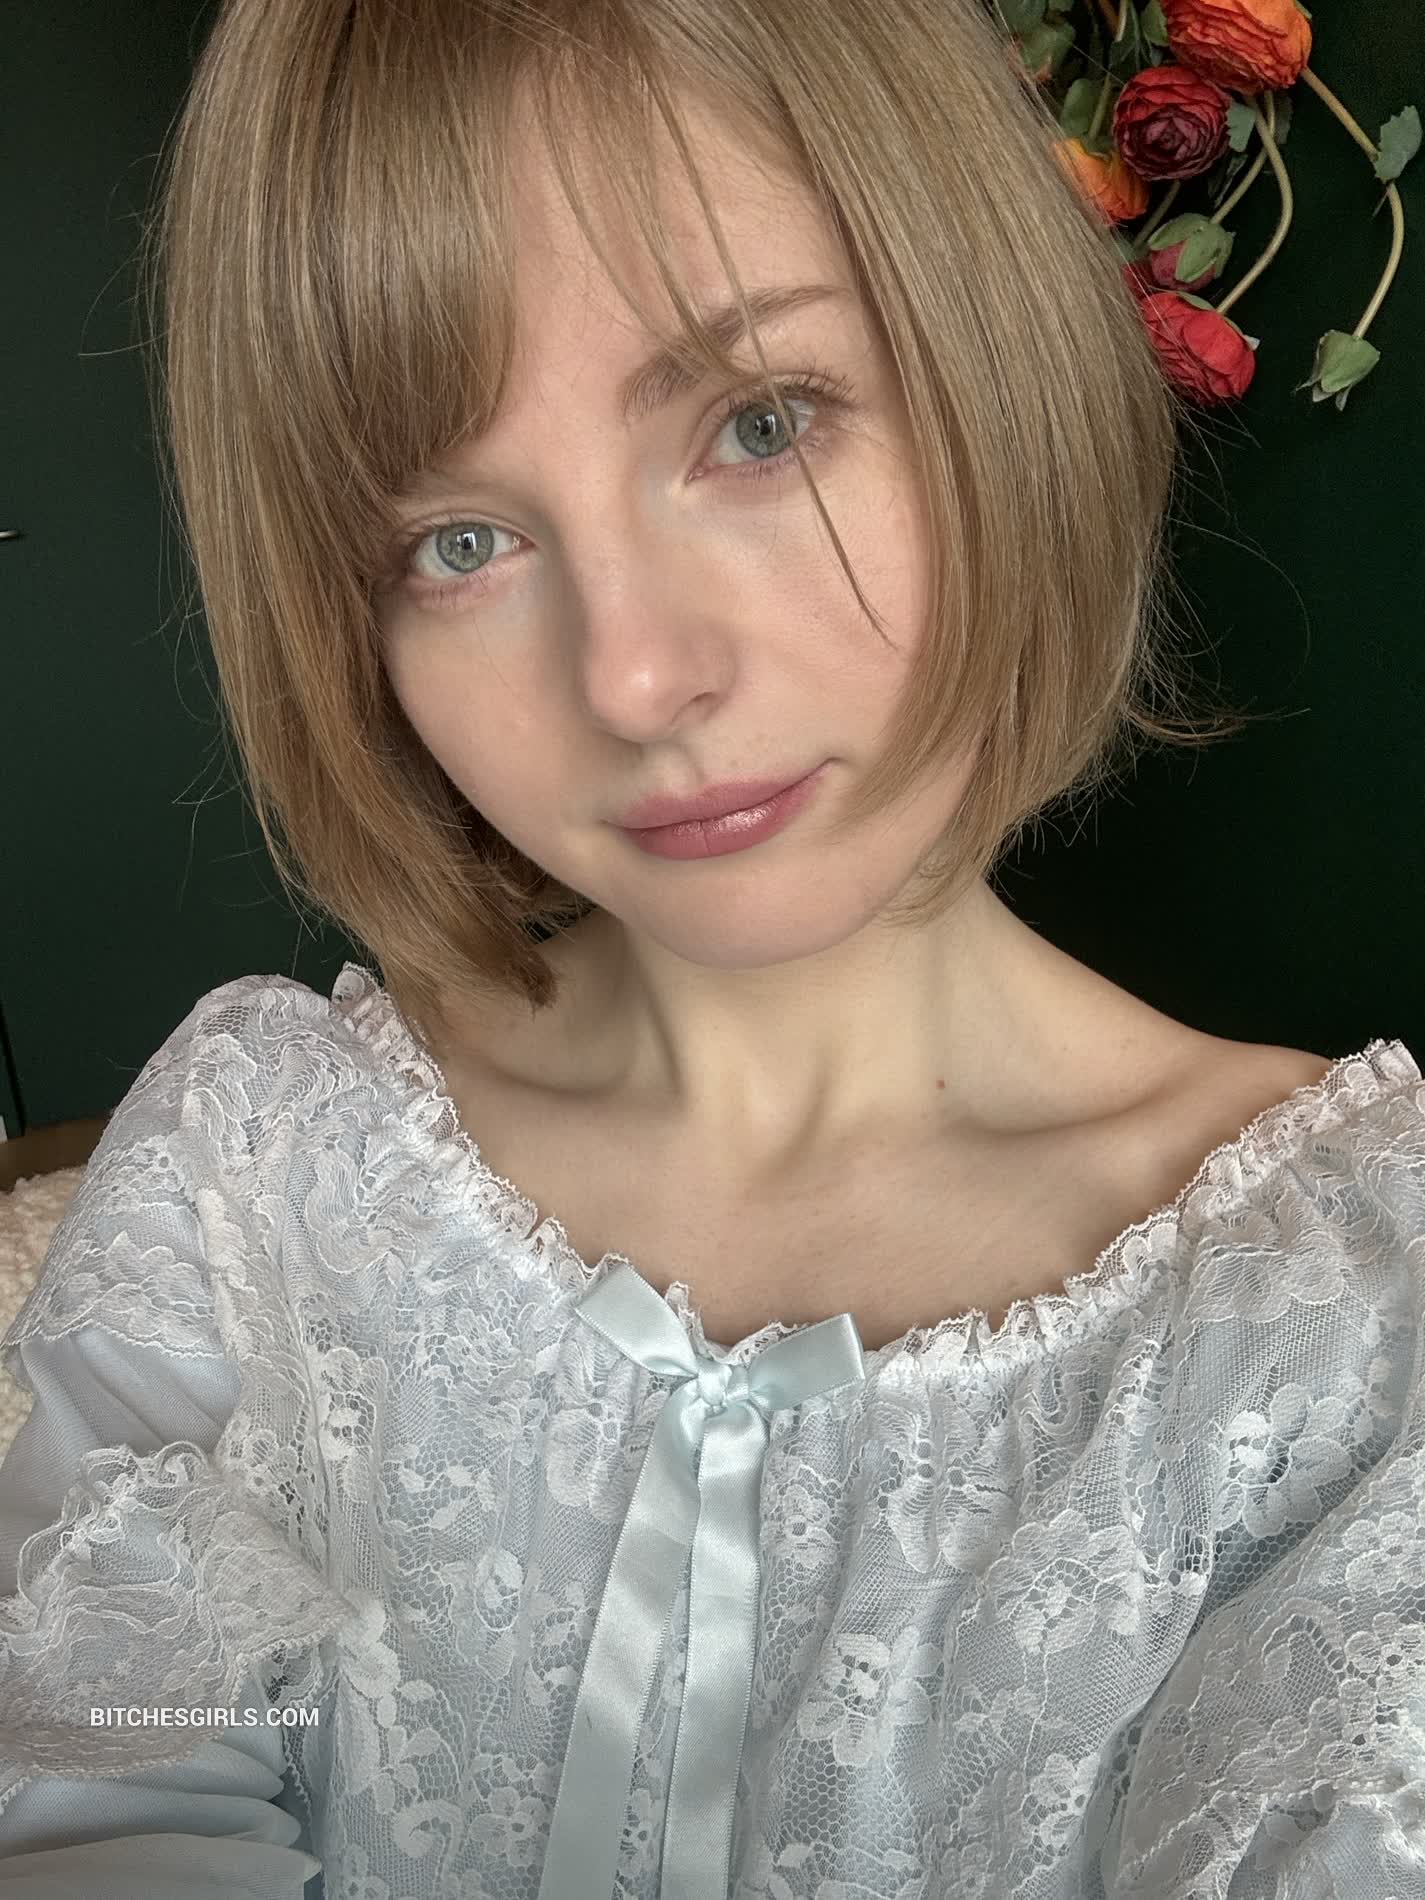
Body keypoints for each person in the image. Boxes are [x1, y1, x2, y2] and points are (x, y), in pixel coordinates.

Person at [2, 0, 1422, 1895]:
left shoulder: (1357, 1315)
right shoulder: (252, 1165)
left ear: (990, 368)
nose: (633, 677)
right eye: (453, 541)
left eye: (759, 424)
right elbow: (92, 1799)